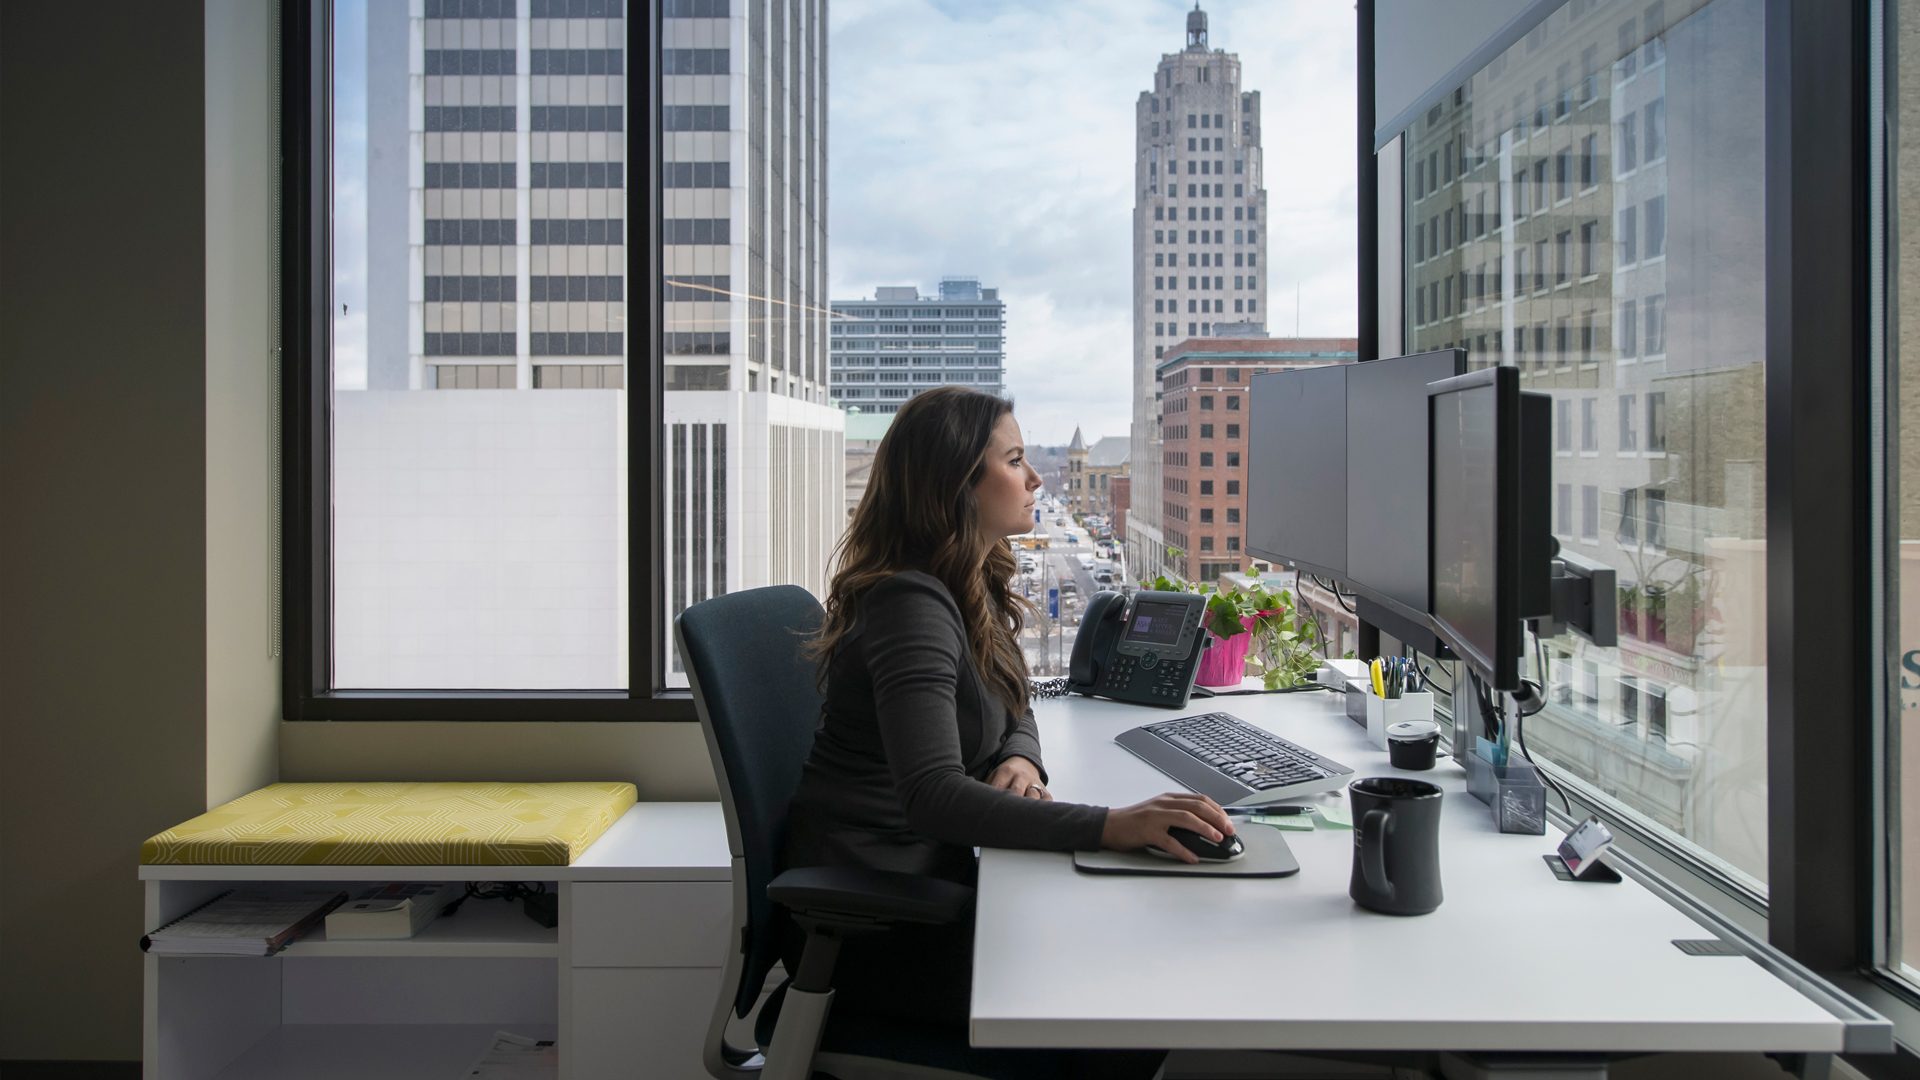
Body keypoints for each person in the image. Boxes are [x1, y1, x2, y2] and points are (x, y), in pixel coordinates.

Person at [784, 386, 1232, 1069]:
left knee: (1142, 957)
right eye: (1016, 459)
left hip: (932, 881)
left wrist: (1022, 759)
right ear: (957, 484)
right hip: (882, 922)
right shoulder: (912, 604)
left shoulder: (964, 581)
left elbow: (1014, 700)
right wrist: (1112, 824)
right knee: (1135, 1012)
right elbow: (932, 794)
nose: (1035, 478)